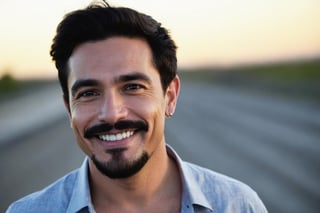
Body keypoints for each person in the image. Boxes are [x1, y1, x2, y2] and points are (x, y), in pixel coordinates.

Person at [7, 1, 267, 212]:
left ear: (170, 96)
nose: (111, 113)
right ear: (68, 108)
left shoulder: (237, 205)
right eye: (88, 93)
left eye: (132, 87)